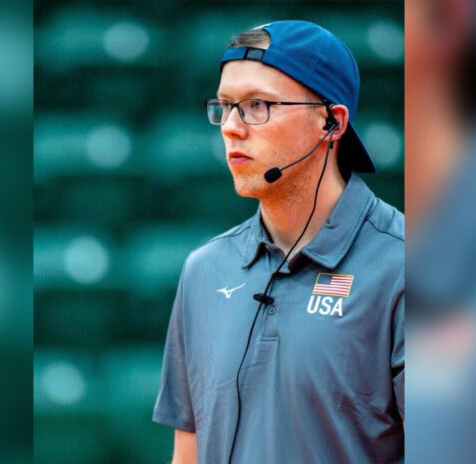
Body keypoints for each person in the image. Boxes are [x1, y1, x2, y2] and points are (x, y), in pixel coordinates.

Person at [153, 20, 404, 463]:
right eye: (225, 106)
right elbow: (187, 453)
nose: (231, 127)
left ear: (332, 122)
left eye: (256, 105)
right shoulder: (203, 270)